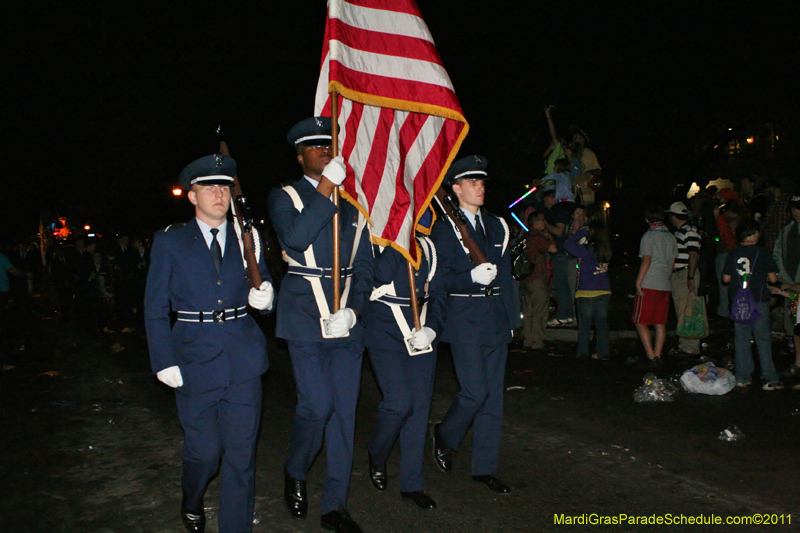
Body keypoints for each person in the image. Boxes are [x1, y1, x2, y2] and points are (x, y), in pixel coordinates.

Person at [145, 154, 274, 533]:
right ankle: (192, 495)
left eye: (224, 186)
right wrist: (162, 359)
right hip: (193, 357)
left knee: (240, 456)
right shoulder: (170, 241)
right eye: (208, 187)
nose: (219, 193)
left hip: (243, 358)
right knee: (205, 451)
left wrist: (267, 299)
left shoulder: (247, 238)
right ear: (192, 196)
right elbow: (154, 306)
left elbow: (262, 281)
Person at [268, 117, 373, 533]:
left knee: (343, 414)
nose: (325, 153)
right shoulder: (285, 196)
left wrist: (356, 309)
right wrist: (327, 188)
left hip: (346, 318)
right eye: (315, 148)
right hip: (305, 316)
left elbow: (364, 265)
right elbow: (295, 238)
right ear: (300, 156)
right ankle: (296, 468)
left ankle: (335, 504)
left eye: (329, 147)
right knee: (316, 406)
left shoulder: (355, 205)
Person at [429, 155, 519, 495]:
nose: (480, 187)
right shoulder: (444, 228)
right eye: (471, 182)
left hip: (495, 319)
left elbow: (507, 277)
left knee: (493, 400)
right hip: (464, 319)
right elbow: (438, 281)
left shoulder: (497, 225)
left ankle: (484, 468)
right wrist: (469, 278)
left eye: (482, 182)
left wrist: (512, 320)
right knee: (475, 392)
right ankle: (445, 434)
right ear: (455, 189)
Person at [363, 224, 446, 511]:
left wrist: (433, 329)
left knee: (420, 407)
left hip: (419, 325)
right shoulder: (375, 241)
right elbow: (379, 274)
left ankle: (412, 483)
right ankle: (377, 452)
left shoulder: (430, 247)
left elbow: (439, 292)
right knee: (399, 402)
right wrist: (400, 240)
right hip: (384, 326)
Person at [722, 219, 783, 391]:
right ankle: (769, 378)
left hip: (739, 301)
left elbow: (725, 279)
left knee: (741, 340)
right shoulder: (761, 252)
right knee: (763, 339)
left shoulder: (733, 254)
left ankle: (742, 377)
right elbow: (773, 278)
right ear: (755, 233)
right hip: (758, 299)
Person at [563, 206, 612, 361]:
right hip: (603, 291)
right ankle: (603, 353)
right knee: (602, 324)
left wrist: (583, 231)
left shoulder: (587, 250)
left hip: (586, 291)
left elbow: (568, 244)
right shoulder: (605, 250)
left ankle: (583, 352)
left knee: (584, 325)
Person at [632, 205, 677, 367]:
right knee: (660, 322)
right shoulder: (670, 237)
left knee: (640, 321)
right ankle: (657, 355)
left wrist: (638, 282)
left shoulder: (649, 236)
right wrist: (667, 277)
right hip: (665, 283)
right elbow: (672, 261)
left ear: (647, 219)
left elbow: (647, 260)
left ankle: (651, 356)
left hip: (650, 282)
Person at [665, 201, 703, 357]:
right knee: (683, 309)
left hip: (685, 273)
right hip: (680, 273)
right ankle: (685, 344)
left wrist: (690, 276)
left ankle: (690, 346)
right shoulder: (680, 232)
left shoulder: (689, 231)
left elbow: (694, 254)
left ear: (674, 216)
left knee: (688, 310)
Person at [519, 211, 557, 350]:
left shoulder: (525, 236)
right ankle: (538, 340)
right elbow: (553, 249)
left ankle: (527, 339)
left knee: (528, 310)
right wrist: (550, 238)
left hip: (524, 278)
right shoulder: (538, 237)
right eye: (543, 220)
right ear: (537, 222)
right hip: (537, 277)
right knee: (540, 310)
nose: (545, 223)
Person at [774, 196, 800, 380]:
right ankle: (797, 362)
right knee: (794, 325)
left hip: (796, 284)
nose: (797, 212)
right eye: (794, 209)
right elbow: (777, 253)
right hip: (790, 285)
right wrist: (783, 279)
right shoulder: (787, 231)